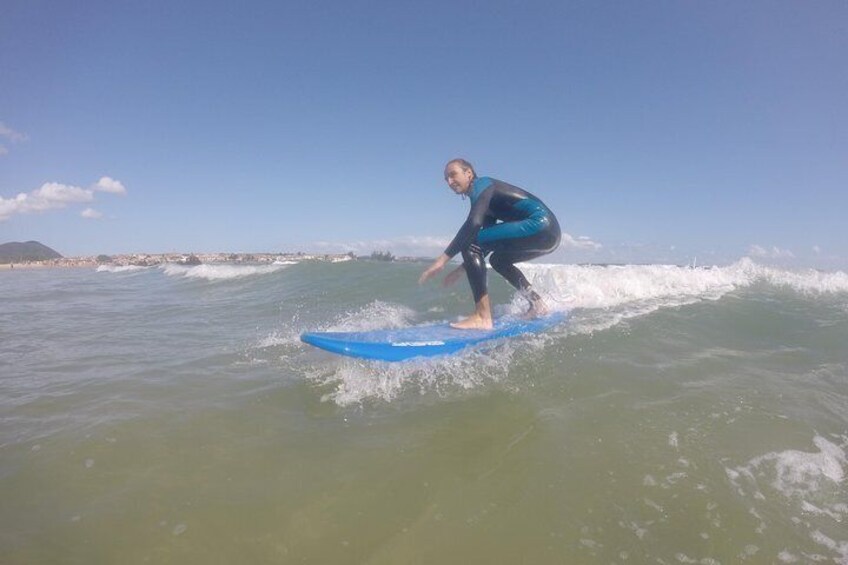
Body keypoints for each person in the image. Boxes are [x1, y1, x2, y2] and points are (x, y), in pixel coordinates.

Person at [419, 159, 561, 329]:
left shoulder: (482, 184)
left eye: (453, 175)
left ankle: (482, 316)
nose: (449, 182)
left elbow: (473, 225)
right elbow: (484, 244)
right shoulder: (485, 202)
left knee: (470, 239)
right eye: (446, 179)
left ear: (469, 173)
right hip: (550, 235)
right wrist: (461, 269)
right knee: (498, 261)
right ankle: (537, 304)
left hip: (539, 224)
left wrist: (442, 260)